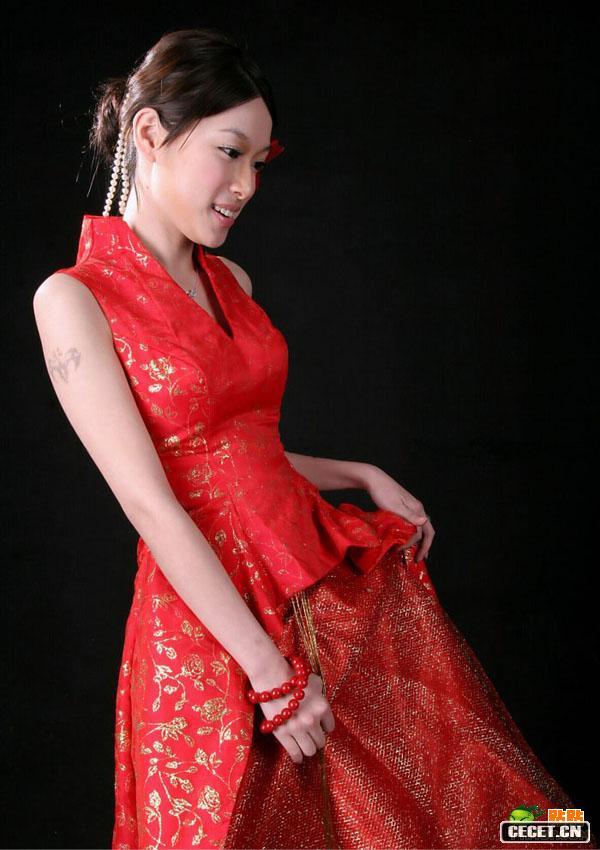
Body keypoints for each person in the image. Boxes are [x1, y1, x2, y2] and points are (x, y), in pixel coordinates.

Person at [32, 27, 592, 850]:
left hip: (309, 582)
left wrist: (358, 472)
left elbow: (236, 452)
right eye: (230, 152)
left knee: (450, 800)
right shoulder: (74, 299)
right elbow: (151, 499)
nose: (245, 185)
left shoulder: (232, 281)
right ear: (148, 132)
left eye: (260, 162)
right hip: (209, 623)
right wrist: (269, 673)